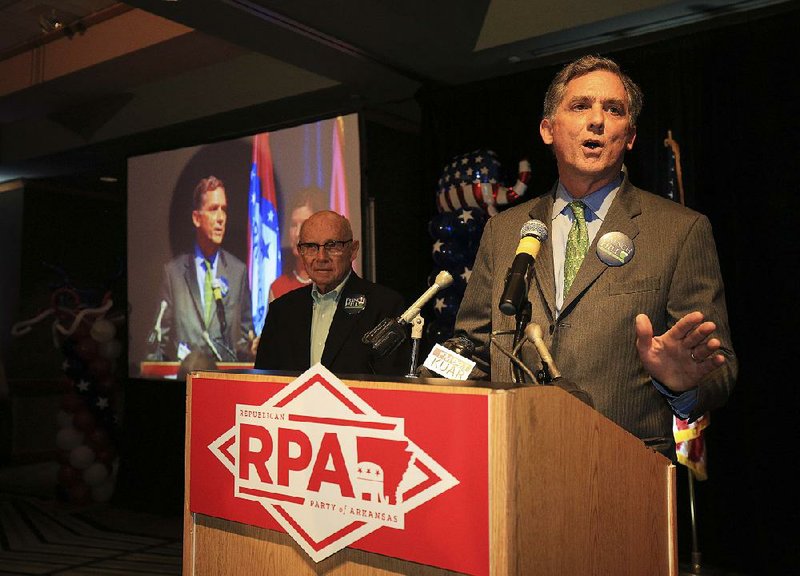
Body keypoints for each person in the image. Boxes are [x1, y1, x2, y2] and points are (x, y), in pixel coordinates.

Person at [454, 55, 737, 456]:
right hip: (512, 460)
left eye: (613, 110)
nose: (597, 121)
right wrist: (430, 383)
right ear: (548, 130)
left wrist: (683, 382)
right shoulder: (503, 231)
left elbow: (719, 369)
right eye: (580, 106)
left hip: (623, 471)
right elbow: (472, 346)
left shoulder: (680, 231)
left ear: (631, 136)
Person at [255, 210, 409, 376]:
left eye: (332, 246)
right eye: (311, 247)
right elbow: (264, 382)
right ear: (301, 252)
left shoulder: (385, 306)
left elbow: (392, 384)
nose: (321, 257)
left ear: (353, 250)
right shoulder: (281, 310)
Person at [149, 176, 256, 363]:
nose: (221, 218)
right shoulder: (173, 274)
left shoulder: (238, 272)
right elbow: (160, 342)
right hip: (185, 380)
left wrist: (253, 348)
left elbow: (244, 340)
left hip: (224, 382)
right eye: (214, 209)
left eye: (224, 210)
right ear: (196, 218)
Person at [268, 186, 327, 301]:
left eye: (305, 225)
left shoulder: (335, 285)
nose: (297, 233)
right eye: (294, 225)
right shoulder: (278, 288)